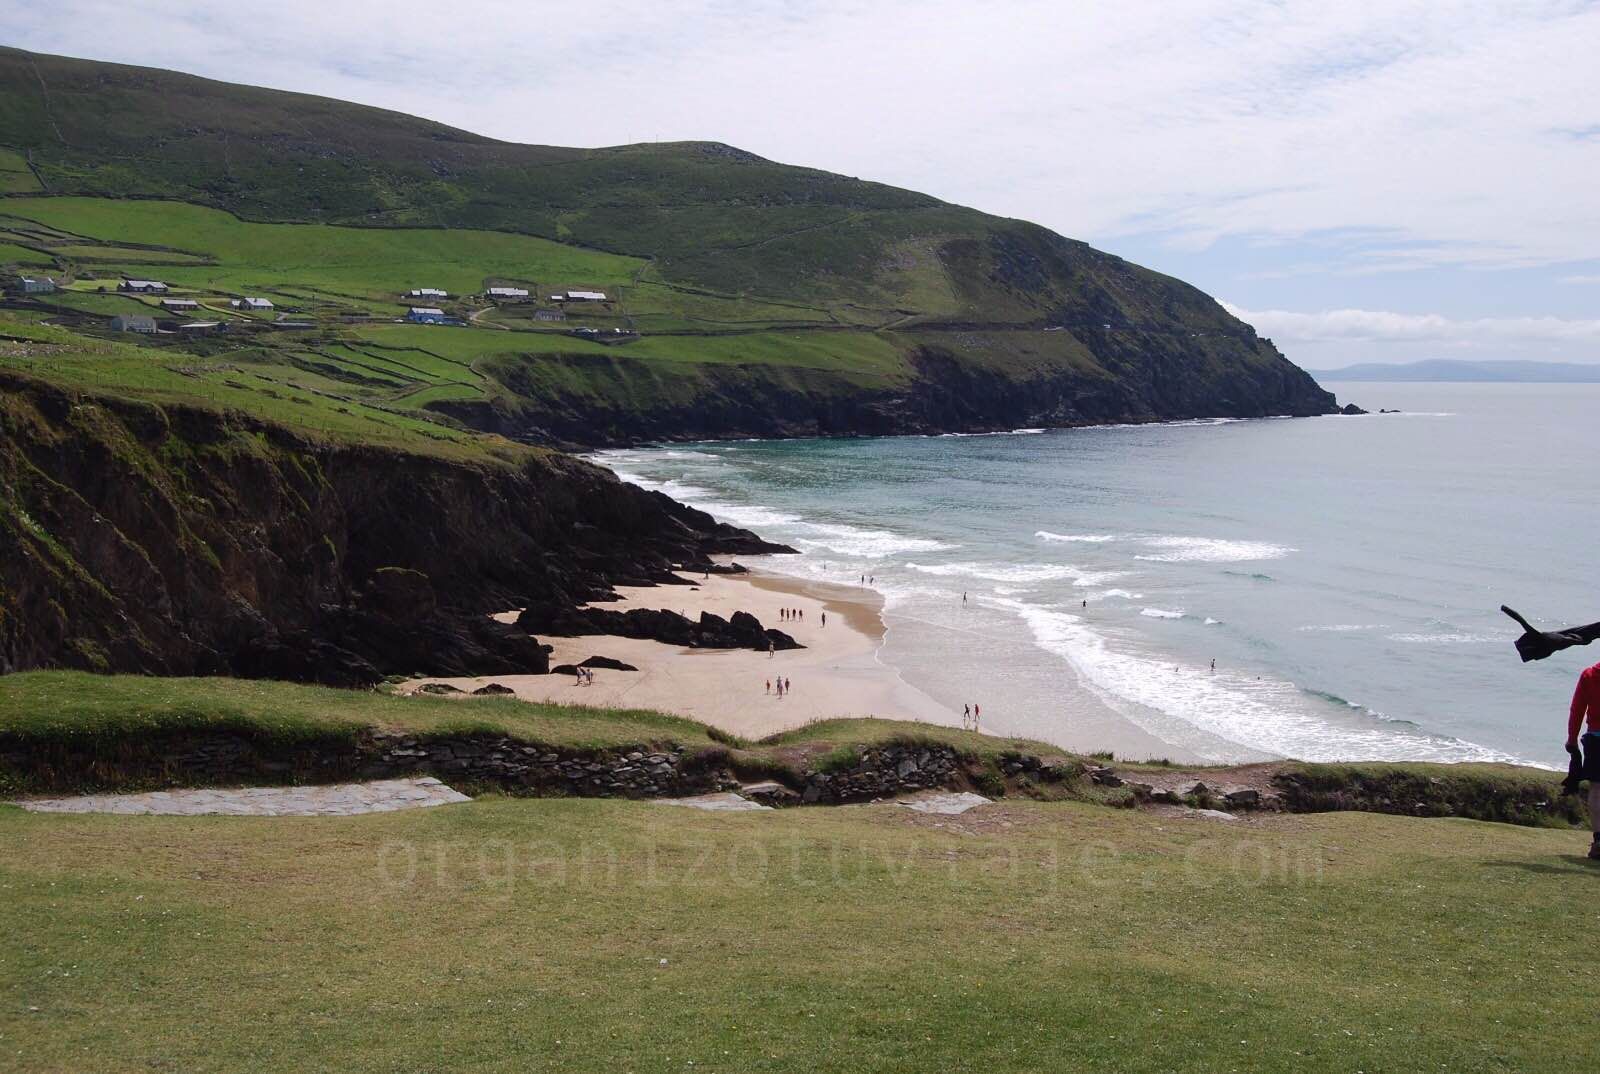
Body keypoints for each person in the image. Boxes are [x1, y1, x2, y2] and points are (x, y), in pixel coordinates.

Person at [1565, 659, 1600, 859]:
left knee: (1597, 788)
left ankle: (1599, 840)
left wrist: (1572, 739)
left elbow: (1577, 709)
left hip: (1595, 738)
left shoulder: (1590, 674)